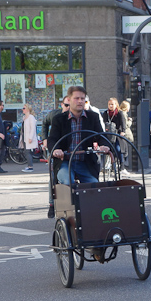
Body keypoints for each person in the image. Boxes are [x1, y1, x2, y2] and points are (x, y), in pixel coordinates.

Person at [47, 86, 109, 219]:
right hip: (65, 161)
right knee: (66, 181)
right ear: (69, 100)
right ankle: (72, 212)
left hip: (84, 162)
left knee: (94, 185)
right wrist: (56, 150)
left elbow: (101, 135)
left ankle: (91, 214)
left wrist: (104, 146)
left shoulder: (92, 117)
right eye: (76, 98)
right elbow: (52, 139)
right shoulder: (59, 119)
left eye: (83, 99)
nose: (80, 101)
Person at [19, 103, 38, 173]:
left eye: (24, 108)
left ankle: (30, 167)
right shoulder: (24, 118)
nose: (22, 110)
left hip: (28, 137)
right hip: (24, 137)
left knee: (27, 152)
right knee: (26, 151)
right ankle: (29, 165)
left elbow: (33, 128)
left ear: (27, 109)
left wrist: (30, 137)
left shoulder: (31, 117)